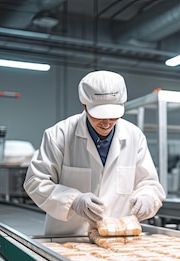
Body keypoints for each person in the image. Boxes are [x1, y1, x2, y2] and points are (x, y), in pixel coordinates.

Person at [24, 70, 166, 236]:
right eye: (99, 116)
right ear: (85, 106)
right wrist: (73, 201)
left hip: (118, 238)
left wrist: (147, 198)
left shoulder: (134, 136)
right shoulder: (59, 135)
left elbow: (149, 183)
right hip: (68, 238)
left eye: (113, 116)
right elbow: (35, 181)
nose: (106, 123)